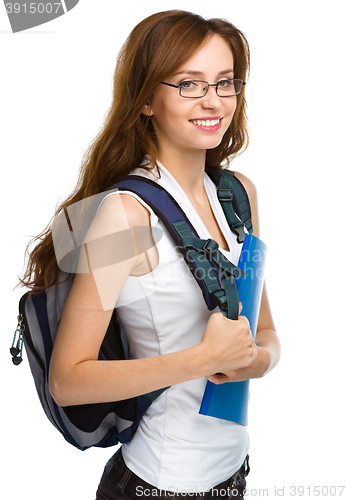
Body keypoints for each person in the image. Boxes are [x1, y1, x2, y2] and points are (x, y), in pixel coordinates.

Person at [20, 10, 280, 500]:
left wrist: (256, 361)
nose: (213, 101)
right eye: (189, 83)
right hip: (155, 485)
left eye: (226, 83)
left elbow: (265, 334)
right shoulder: (125, 215)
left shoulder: (240, 197)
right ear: (145, 100)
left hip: (234, 476)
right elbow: (68, 382)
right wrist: (202, 359)